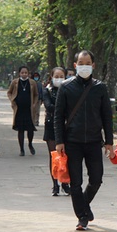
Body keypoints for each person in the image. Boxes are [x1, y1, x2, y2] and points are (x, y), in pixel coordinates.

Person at [54, 50, 114, 230]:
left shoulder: (100, 87)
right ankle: (82, 217)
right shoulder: (66, 87)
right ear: (75, 65)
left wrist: (109, 142)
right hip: (72, 141)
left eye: (88, 62)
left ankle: (84, 206)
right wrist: (59, 141)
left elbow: (107, 116)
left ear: (93, 65)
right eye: (81, 63)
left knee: (96, 179)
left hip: (95, 141)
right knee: (76, 183)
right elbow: (58, 116)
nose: (84, 66)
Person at [43, 67, 71, 196]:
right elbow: (49, 106)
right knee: (54, 156)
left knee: (66, 156)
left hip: (66, 126)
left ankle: (65, 183)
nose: (59, 79)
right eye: (56, 76)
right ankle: (55, 184)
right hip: (51, 126)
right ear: (52, 77)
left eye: (62, 76)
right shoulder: (47, 91)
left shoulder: (69, 90)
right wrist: (62, 109)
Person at [7, 66, 39, 156]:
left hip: (29, 109)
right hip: (19, 109)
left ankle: (30, 144)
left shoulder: (32, 83)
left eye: (26, 72)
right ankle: (21, 149)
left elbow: (36, 95)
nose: (24, 74)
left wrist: (34, 104)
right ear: (19, 73)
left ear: (28, 73)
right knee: (20, 130)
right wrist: (12, 100)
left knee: (30, 129)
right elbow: (9, 92)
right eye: (22, 72)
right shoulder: (15, 82)